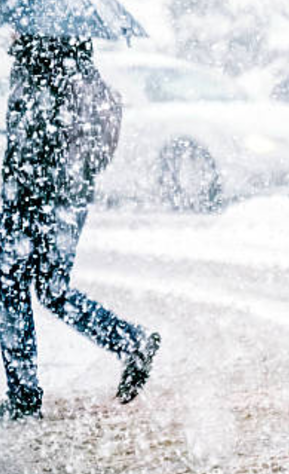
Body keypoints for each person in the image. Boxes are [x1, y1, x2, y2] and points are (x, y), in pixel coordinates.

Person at [0, 34, 161, 422]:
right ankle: (130, 341)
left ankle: (24, 396)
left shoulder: (40, 68)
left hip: (33, 194)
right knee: (50, 289)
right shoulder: (81, 70)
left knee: (11, 285)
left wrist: (20, 173)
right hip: (69, 196)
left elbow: (29, 140)